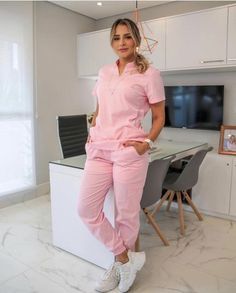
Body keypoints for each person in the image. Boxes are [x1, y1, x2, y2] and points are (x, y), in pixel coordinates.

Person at [77, 18, 165, 292]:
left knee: (125, 215)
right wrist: (93, 130)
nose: (122, 42)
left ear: (136, 39)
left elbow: (160, 117)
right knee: (86, 209)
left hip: (129, 151)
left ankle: (118, 268)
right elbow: (100, 108)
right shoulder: (104, 72)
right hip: (100, 149)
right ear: (112, 42)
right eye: (116, 38)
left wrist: (145, 144)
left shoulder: (149, 73)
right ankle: (125, 259)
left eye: (127, 37)